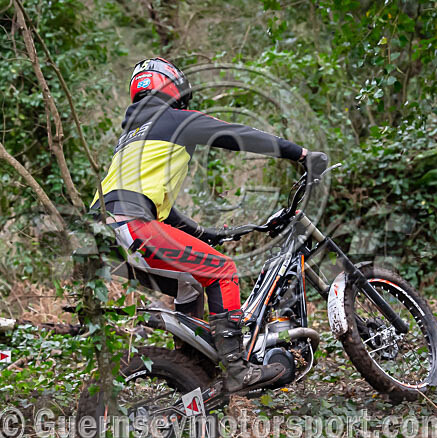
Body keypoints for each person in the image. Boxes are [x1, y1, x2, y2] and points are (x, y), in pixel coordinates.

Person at [91, 57, 327, 393]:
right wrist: (300, 154)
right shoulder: (173, 119)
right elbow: (236, 135)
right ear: (173, 88)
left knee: (189, 286)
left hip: (107, 237)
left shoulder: (130, 139)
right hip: (133, 224)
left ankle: (191, 368)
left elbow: (152, 206)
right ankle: (238, 370)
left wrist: (205, 234)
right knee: (223, 271)